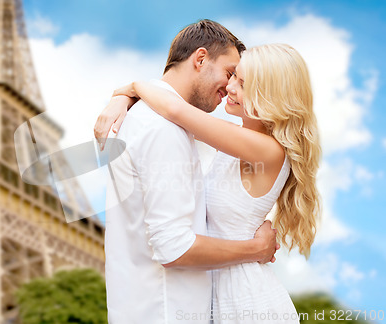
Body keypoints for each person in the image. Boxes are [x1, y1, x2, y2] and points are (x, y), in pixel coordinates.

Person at [95, 43, 321, 323]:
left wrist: (131, 88)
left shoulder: (267, 150)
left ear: (270, 96)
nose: (230, 87)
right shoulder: (235, 140)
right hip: (219, 293)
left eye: (243, 83)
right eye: (234, 76)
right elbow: (170, 118)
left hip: (247, 299)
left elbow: (176, 111)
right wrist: (123, 100)